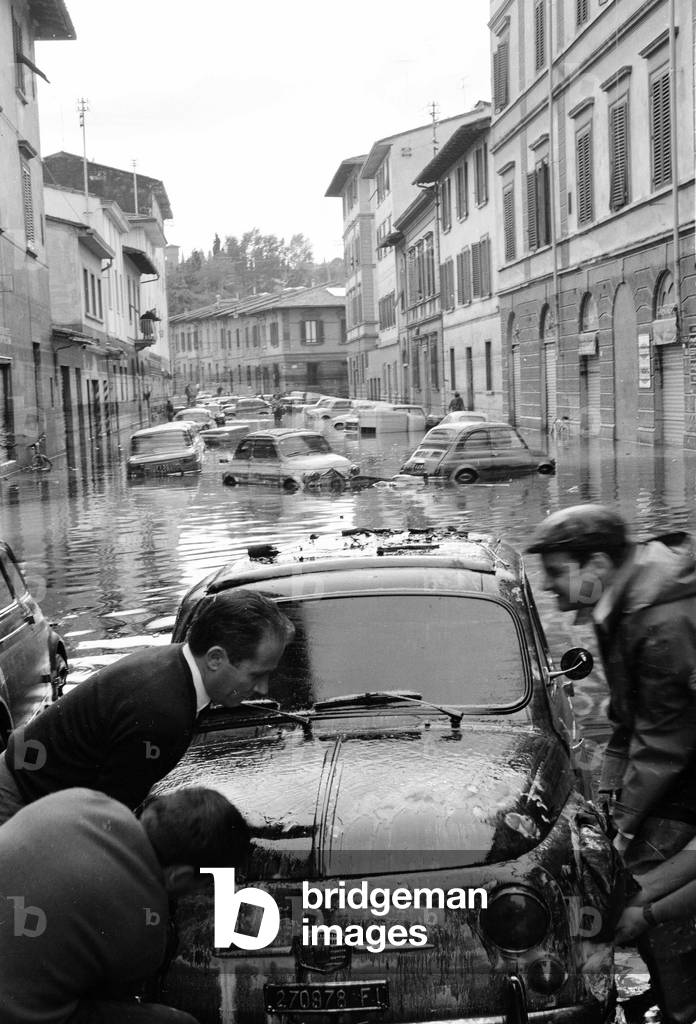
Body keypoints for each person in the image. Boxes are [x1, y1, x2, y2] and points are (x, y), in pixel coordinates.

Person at [527, 504, 696, 1024]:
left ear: (597, 565)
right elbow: (628, 718)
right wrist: (607, 794)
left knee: (640, 888)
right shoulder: (619, 604)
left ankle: (681, 1007)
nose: (549, 587)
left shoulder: (660, 621)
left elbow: (663, 740)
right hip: (674, 757)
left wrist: (622, 830)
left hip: (684, 763)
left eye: (556, 573)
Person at [0, 589, 293, 824]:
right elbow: (105, 817)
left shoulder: (175, 666)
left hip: (24, 783)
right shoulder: (164, 712)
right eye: (256, 675)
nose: (263, 688)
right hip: (16, 801)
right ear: (215, 658)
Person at [0, 784, 249, 1023]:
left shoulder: (83, 798)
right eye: (205, 883)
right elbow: (111, 998)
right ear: (179, 876)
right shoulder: (144, 927)